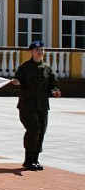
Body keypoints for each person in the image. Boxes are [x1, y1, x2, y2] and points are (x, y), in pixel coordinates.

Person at [11, 41, 61, 171]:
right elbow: (18, 82)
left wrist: (55, 91)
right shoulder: (25, 67)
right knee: (34, 130)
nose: (40, 52)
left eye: (41, 49)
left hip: (42, 105)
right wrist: (16, 83)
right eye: (37, 49)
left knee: (42, 132)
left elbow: (52, 84)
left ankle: (35, 159)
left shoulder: (47, 68)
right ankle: (28, 159)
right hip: (27, 105)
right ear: (31, 52)